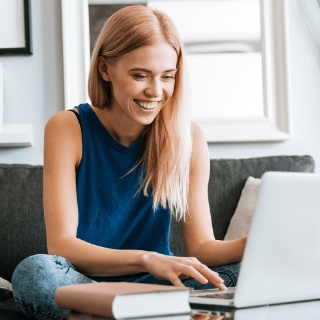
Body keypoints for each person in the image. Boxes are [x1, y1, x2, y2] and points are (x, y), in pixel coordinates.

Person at [12, 5, 247, 320]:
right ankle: (146, 313)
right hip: (85, 283)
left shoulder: (188, 138)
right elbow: (62, 246)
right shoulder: (68, 128)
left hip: (156, 286)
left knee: (243, 273)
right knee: (35, 272)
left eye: (168, 77)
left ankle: (113, 314)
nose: (155, 91)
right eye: (140, 75)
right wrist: (147, 259)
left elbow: (203, 246)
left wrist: (253, 243)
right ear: (105, 70)